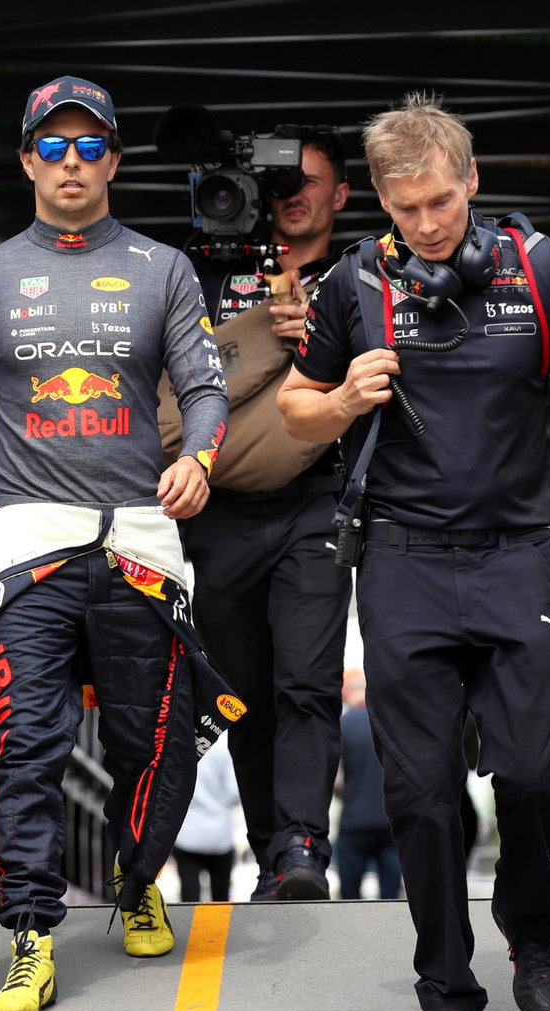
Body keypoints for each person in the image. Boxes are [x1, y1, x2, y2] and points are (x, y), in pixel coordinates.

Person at [279, 91, 550, 1011]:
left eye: (440, 201)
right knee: (419, 795)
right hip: (402, 565)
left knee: (534, 765)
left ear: (468, 180)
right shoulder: (353, 287)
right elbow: (297, 408)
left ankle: (531, 919)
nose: (427, 223)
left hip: (516, 554)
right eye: (405, 206)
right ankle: (445, 994)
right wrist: (342, 396)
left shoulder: (534, 268)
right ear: (381, 199)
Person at [0, 75, 232, 1011]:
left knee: (151, 736)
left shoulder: (164, 269)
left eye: (89, 146)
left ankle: (138, 878)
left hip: (137, 536)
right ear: (25, 160)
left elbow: (207, 389)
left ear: (114, 161)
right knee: (27, 742)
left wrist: (202, 460)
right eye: (52, 147)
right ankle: (31, 937)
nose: (71, 163)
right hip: (26, 543)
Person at [161, 126, 353, 901]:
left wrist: (324, 338)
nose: (293, 196)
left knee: (308, 676)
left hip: (319, 503)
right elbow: (165, 389)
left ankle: (304, 844)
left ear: (341, 193)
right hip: (221, 510)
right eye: (279, 186)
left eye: (310, 182)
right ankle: (275, 848)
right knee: (245, 688)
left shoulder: (366, 276)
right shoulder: (201, 276)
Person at [333, 668, 402, 900]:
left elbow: (334, 779)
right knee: (392, 898)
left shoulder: (343, 725)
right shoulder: (392, 724)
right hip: (392, 821)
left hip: (355, 823)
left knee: (350, 898)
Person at [172, 732, 242, 902]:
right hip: (219, 834)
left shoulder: (179, 741)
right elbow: (234, 792)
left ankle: (187, 927)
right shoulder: (223, 743)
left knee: (188, 896)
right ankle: (220, 929)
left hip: (186, 833)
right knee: (220, 898)